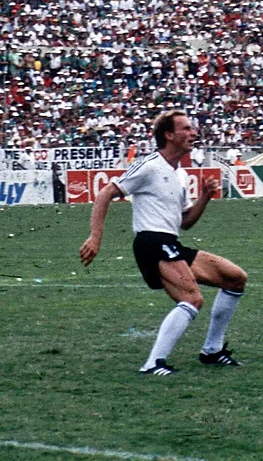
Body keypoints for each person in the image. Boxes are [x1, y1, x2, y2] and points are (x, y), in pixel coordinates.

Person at [79, 110, 247, 375]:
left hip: (170, 241)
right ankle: (153, 363)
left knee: (235, 278)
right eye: (187, 129)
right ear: (169, 135)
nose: (194, 133)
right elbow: (105, 193)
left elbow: (185, 222)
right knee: (192, 299)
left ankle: (212, 351)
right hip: (151, 241)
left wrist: (205, 195)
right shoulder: (149, 165)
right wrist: (95, 237)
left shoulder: (180, 174)